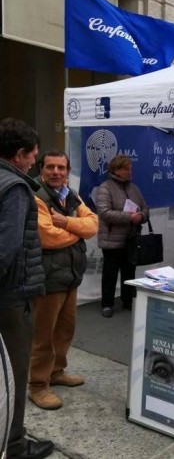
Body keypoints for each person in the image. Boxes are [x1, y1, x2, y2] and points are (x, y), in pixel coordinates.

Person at [0, 118, 54, 458]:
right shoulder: (15, 189)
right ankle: (15, 445)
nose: (35, 161)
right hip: (10, 298)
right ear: (19, 154)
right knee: (15, 374)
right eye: (33, 155)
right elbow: (6, 249)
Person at [28, 151, 98, 410]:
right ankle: (37, 385)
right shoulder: (35, 196)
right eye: (50, 167)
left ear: (67, 171)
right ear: (41, 169)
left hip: (69, 277)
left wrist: (67, 223)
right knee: (43, 335)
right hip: (47, 278)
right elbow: (47, 237)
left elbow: (92, 224)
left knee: (65, 330)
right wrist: (77, 232)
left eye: (61, 167)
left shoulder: (71, 195)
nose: (56, 172)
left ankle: (56, 372)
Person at [96, 154, 149, 317]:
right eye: (127, 168)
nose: (130, 171)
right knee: (110, 274)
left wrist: (141, 216)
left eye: (130, 168)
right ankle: (107, 304)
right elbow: (104, 213)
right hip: (112, 240)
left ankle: (128, 301)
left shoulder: (134, 188)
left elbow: (145, 208)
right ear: (116, 170)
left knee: (129, 273)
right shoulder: (105, 188)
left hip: (131, 240)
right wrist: (129, 217)